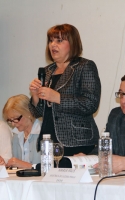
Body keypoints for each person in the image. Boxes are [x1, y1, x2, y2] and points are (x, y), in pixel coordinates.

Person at [29, 24, 101, 157]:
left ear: (72, 43)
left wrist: (58, 98)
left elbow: (90, 104)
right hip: (49, 140)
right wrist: (35, 96)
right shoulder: (47, 71)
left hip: (77, 141)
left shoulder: (84, 67)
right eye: (51, 41)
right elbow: (38, 112)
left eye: (59, 41)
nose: (53, 45)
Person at [3, 94, 41, 169]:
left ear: (28, 113)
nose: (13, 124)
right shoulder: (16, 136)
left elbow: (52, 167)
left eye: (16, 119)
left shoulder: (44, 133)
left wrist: (27, 166)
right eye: (10, 120)